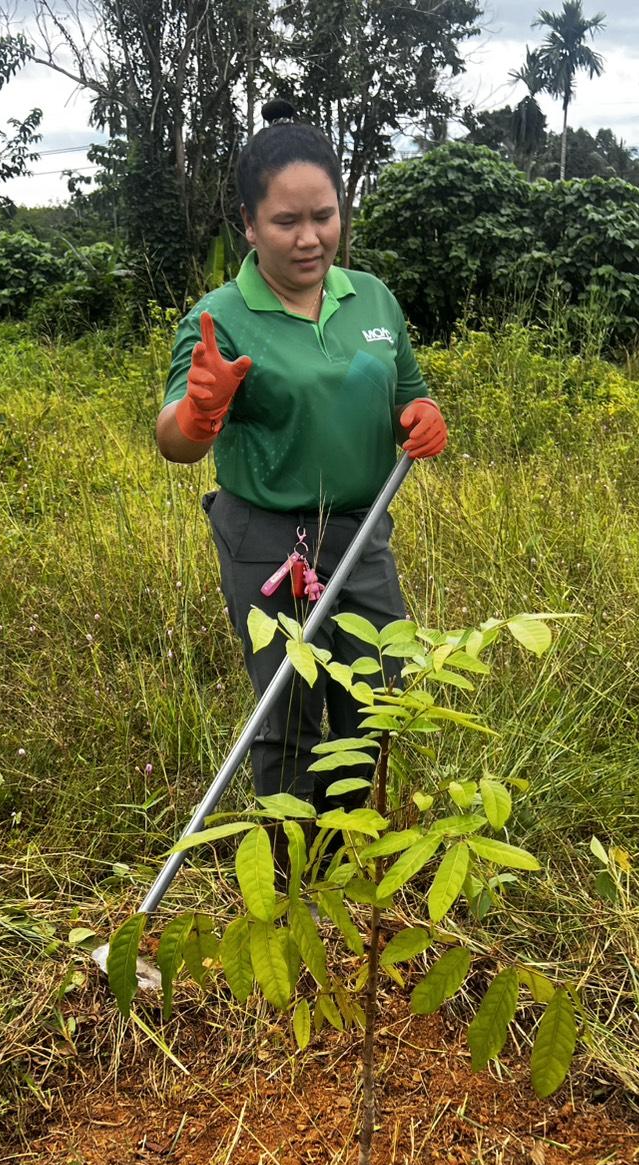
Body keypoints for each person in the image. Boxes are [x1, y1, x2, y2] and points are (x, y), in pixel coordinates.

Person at [156, 98, 447, 818]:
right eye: (287, 222)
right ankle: (289, 870)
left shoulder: (372, 299)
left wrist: (421, 414)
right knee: (286, 709)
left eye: (323, 215)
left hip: (362, 530)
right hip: (267, 540)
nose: (310, 238)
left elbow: (407, 393)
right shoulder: (218, 317)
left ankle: (354, 842)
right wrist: (201, 410)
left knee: (375, 691)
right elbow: (175, 443)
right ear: (251, 227)